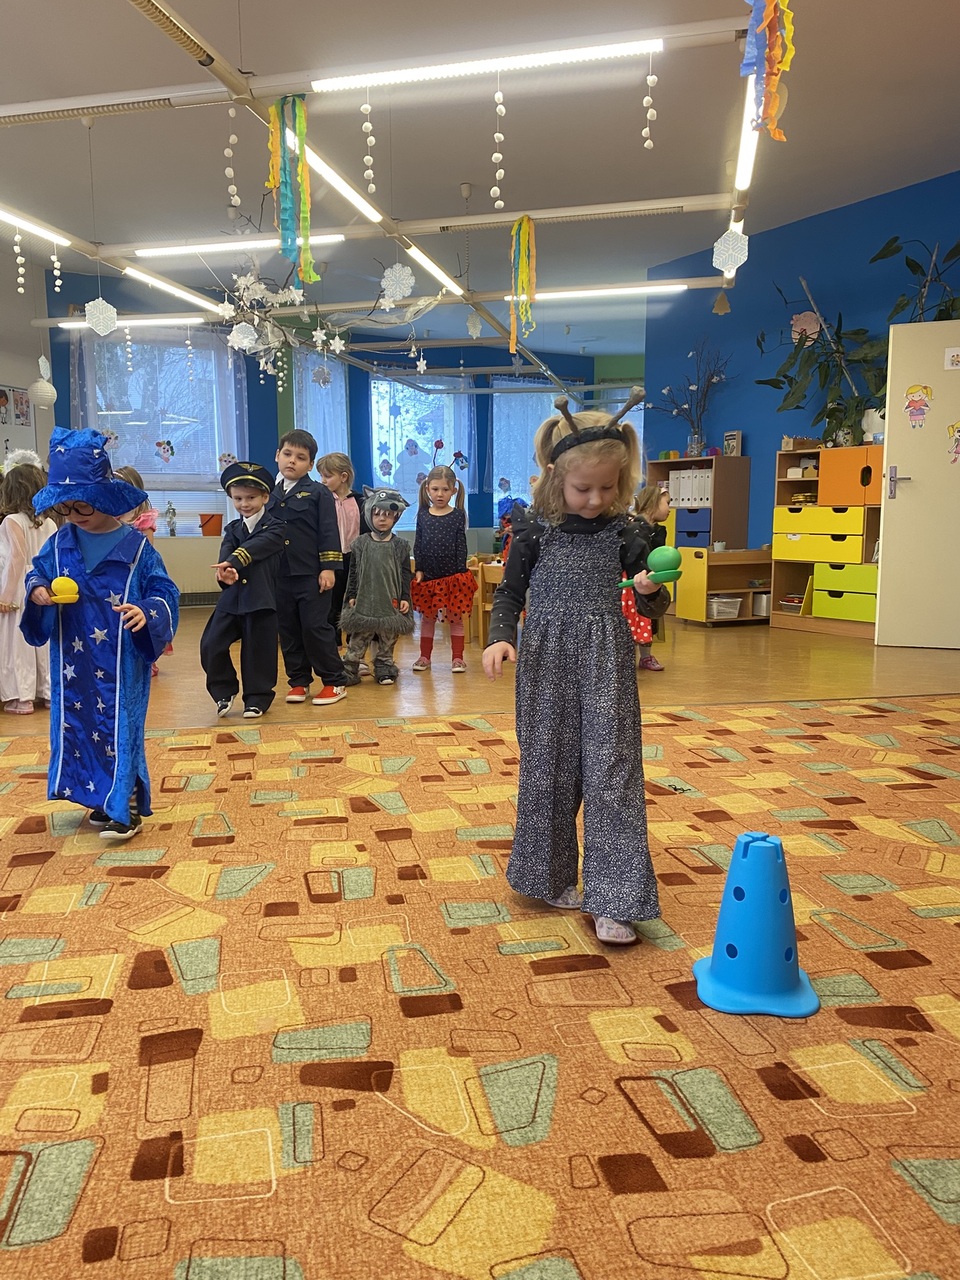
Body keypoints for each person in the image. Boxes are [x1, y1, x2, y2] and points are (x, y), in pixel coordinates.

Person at [482, 392, 668, 945]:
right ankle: (547, 877)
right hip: (545, 662)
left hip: (607, 661)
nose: (595, 499)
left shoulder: (631, 533)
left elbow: (655, 606)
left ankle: (616, 898)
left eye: (608, 487)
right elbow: (509, 593)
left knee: (613, 770)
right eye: (583, 488)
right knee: (548, 767)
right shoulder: (533, 531)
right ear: (555, 476)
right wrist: (499, 638)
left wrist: (650, 590)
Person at [20, 427, 179, 842]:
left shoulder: (136, 548)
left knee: (121, 728)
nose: (74, 514)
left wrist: (147, 611)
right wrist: (37, 589)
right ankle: (100, 797)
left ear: (105, 495)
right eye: (65, 506)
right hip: (74, 662)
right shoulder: (59, 544)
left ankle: (126, 806)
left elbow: (164, 591)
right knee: (80, 726)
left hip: (122, 660)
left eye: (83, 504)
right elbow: (37, 573)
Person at [266, 429, 348, 707]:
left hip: (312, 575)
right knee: (288, 629)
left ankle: (335, 681)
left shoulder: (318, 493)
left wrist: (329, 568)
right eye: (287, 454)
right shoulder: (268, 494)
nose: (292, 461)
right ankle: (298, 681)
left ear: (310, 465)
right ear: (277, 456)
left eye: (301, 457)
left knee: (315, 627)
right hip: (279, 575)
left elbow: (329, 531)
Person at [199, 462, 285, 719]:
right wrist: (224, 573)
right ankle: (224, 691)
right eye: (238, 498)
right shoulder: (232, 529)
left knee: (259, 652)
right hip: (231, 600)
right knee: (211, 644)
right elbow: (225, 554)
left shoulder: (276, 527)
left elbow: (257, 546)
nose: (244, 504)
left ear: (265, 497)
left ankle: (257, 698)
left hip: (261, 600)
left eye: (250, 498)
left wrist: (233, 562)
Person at [338, 486, 414, 686]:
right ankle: (350, 669)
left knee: (388, 639)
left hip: (390, 601)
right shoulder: (360, 543)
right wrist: (352, 595)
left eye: (388, 515)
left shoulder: (400, 546)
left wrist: (405, 597)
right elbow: (353, 573)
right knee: (358, 639)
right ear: (369, 514)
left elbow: (405, 574)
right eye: (377, 514)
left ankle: (385, 668)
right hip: (365, 601)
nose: (382, 519)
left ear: (395, 517)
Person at [0, 461, 57, 714]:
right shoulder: (50, 523)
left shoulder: (12, 520)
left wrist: (6, 596)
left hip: (20, 587)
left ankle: (22, 698)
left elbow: (17, 558)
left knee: (18, 643)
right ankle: (48, 692)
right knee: (42, 640)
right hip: (43, 583)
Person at [410, 465, 477, 673]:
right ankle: (424, 657)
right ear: (427, 489)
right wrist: (419, 569)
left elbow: (461, 545)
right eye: (435, 489)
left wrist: (461, 571)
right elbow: (418, 544)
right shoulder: (423, 515)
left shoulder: (457, 515)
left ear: (453, 491)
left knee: (455, 618)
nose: (440, 494)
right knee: (427, 619)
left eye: (445, 490)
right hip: (429, 576)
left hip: (453, 577)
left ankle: (458, 658)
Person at [114, 464, 167, 675]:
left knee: (141, 615)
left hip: (136, 574)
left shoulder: (143, 520)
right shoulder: (110, 518)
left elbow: (148, 551)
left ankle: (148, 656)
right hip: (116, 574)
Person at [317, 451, 369, 646]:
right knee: (332, 600)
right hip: (332, 558)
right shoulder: (323, 500)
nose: (323, 481)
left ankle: (354, 640)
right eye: (321, 476)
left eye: (327, 476)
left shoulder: (360, 501)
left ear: (343, 476)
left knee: (354, 599)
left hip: (354, 558)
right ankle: (333, 640)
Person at [631, 483, 671, 671]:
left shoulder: (658, 530)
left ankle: (646, 656)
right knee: (635, 618)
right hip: (636, 581)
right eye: (667, 503)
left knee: (648, 619)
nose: (670, 509)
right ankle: (629, 656)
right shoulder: (635, 528)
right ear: (653, 503)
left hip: (650, 581)